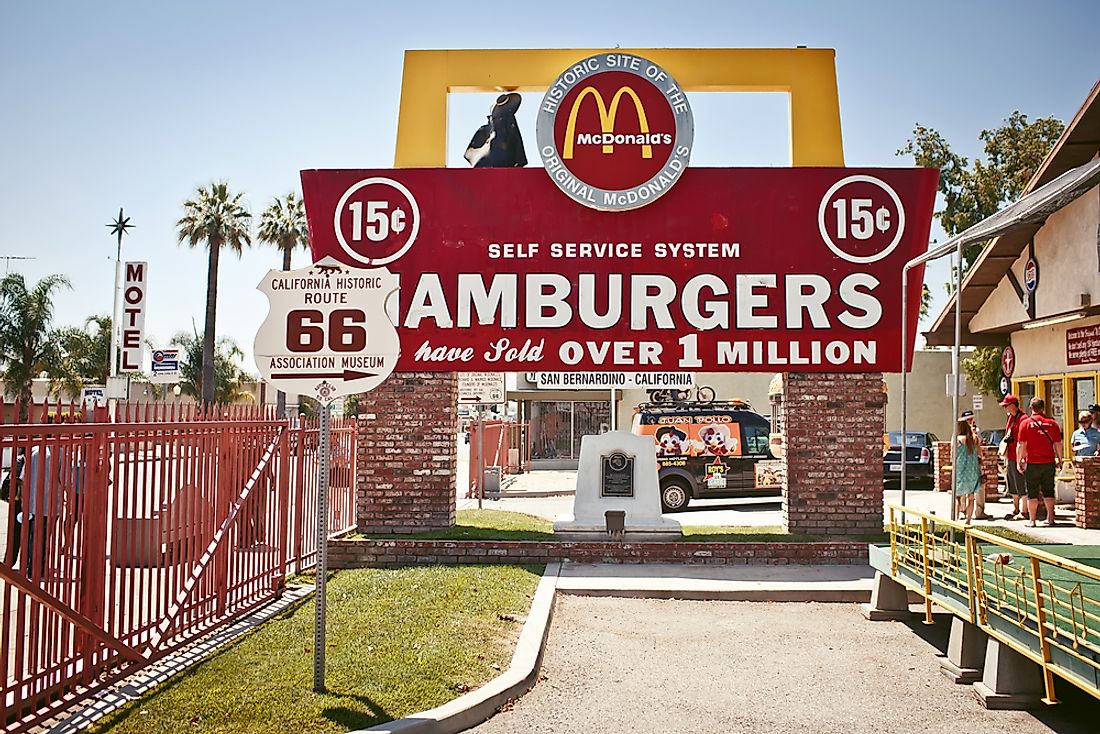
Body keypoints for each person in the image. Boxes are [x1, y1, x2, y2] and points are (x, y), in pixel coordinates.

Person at [1017, 397, 1063, 528]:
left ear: (1031, 408)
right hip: (1048, 462)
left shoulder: (1025, 424)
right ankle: (1050, 518)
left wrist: (1020, 460)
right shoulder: (1052, 423)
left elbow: (1022, 444)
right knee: (1049, 490)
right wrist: (1060, 459)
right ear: (1043, 408)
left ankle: (1032, 520)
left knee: (1032, 492)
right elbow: (1058, 444)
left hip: (1032, 462)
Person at [958, 409, 992, 520]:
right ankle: (964, 512)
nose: (970, 421)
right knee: (965, 492)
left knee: (978, 490)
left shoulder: (976, 431)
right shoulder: (959, 433)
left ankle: (979, 511)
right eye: (968, 419)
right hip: (968, 465)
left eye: (971, 419)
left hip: (973, 464)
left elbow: (979, 448)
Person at [1000, 394, 1027, 520]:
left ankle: (1024, 511)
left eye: (1006, 405)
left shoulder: (1023, 419)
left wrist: (1022, 458)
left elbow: (1023, 441)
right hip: (1010, 456)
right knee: (1012, 483)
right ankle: (1015, 508)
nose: (1005, 408)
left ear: (1012, 405)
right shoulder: (1010, 418)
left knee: (1021, 484)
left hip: (1020, 457)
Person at [953, 419, 982, 523]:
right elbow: (980, 454)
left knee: (957, 497)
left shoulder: (956, 439)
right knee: (971, 497)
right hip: (973, 470)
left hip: (960, 470)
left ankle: (955, 519)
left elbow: (953, 455)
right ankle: (968, 520)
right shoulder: (974, 439)